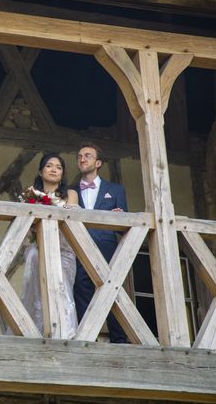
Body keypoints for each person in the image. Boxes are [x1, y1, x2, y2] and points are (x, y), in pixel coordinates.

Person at [73, 143, 128, 343]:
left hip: (107, 249)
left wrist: (120, 218)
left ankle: (120, 340)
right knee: (81, 291)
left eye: (87, 155)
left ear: (98, 163)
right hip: (78, 248)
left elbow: (124, 227)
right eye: (79, 156)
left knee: (112, 294)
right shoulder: (70, 191)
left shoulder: (115, 190)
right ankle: (88, 340)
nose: (82, 159)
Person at [20, 153, 79, 337]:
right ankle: (35, 331)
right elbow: (25, 227)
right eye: (49, 166)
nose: (54, 170)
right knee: (36, 288)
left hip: (63, 250)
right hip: (38, 248)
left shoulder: (70, 194)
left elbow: (71, 219)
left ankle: (64, 332)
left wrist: (48, 203)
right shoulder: (29, 195)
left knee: (61, 287)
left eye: (58, 167)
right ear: (40, 170)